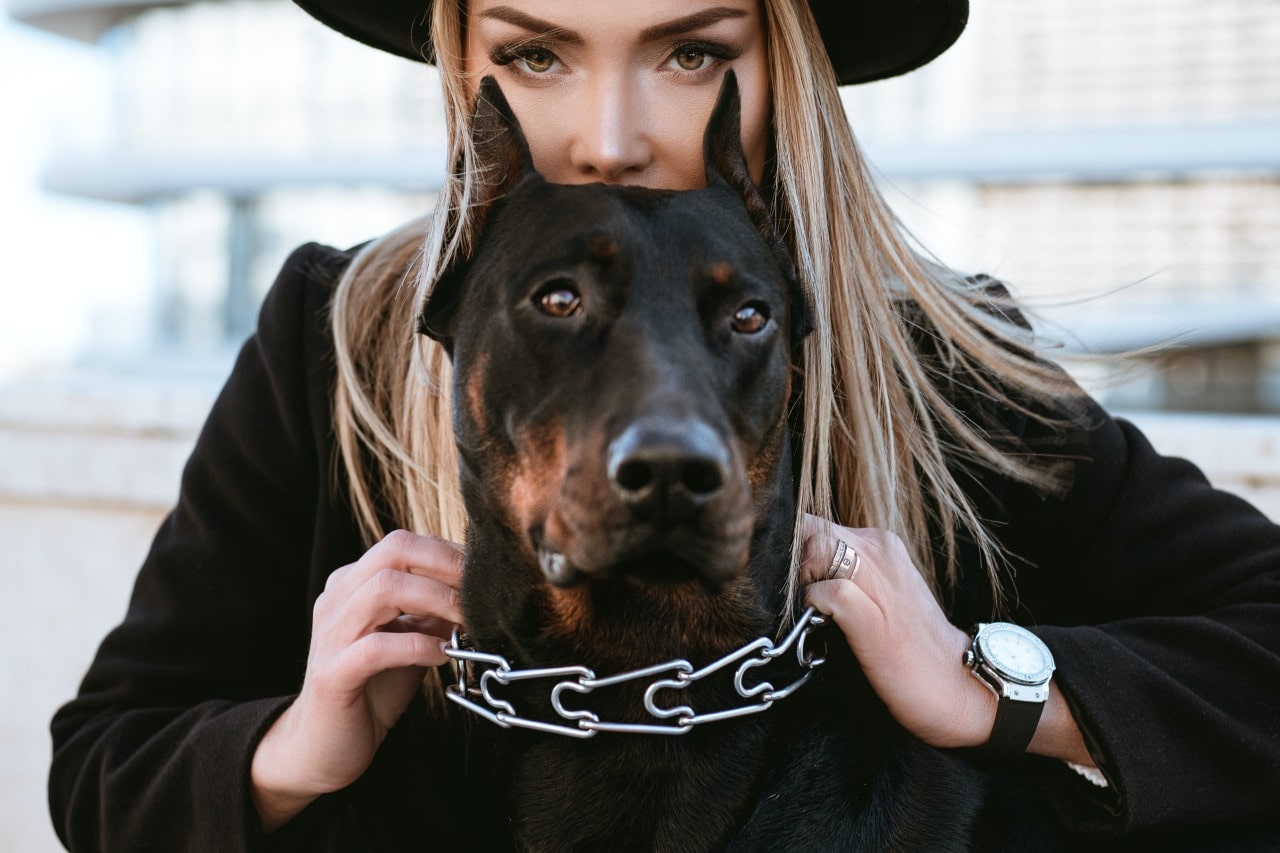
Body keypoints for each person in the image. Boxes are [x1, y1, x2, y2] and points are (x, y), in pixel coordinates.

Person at [48, 0, 1280, 850]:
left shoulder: (932, 369)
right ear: (460, 62)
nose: (613, 135)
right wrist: (291, 745)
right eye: (536, 55)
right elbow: (107, 766)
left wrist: (989, 686)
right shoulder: (339, 340)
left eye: (688, 53)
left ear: (777, 60)